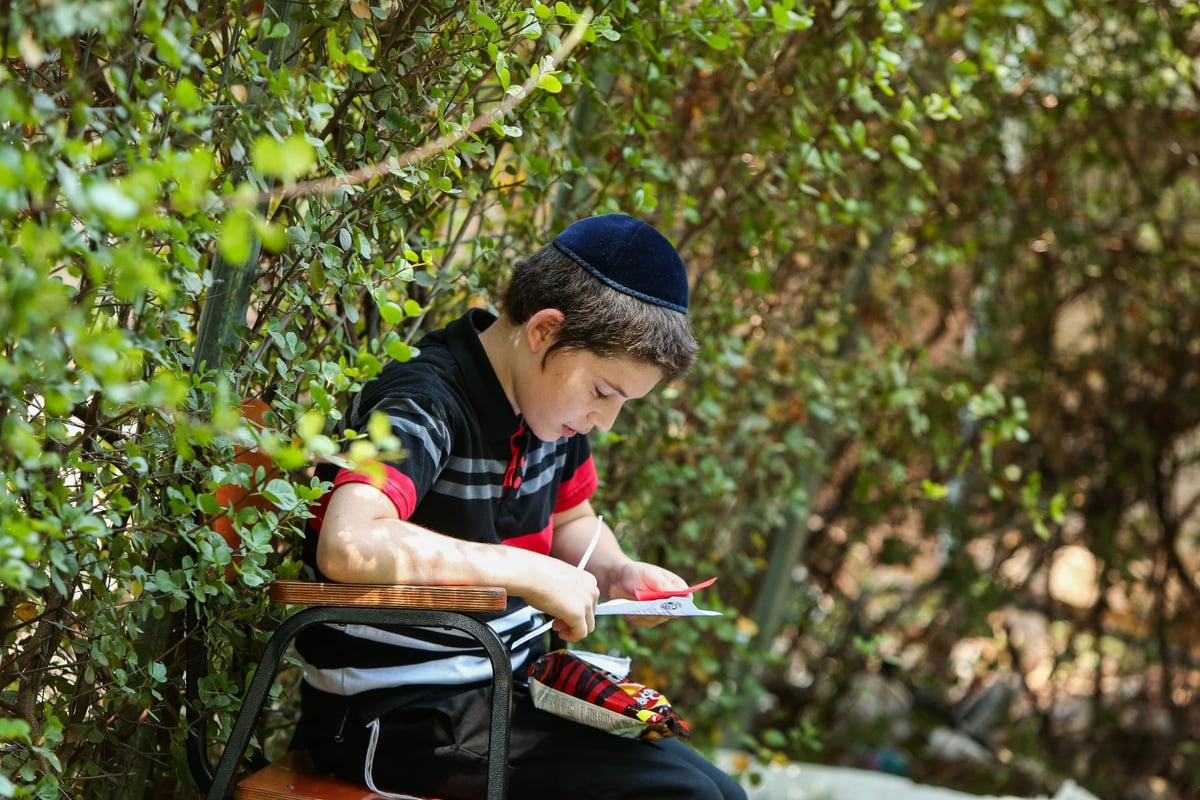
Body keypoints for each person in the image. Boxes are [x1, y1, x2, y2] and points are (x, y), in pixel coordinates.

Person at [291, 213, 746, 800]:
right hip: (395, 715)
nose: (604, 420)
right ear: (545, 332)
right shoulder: (424, 399)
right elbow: (348, 541)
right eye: (604, 392)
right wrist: (530, 572)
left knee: (721, 794)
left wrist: (616, 572)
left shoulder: (549, 411)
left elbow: (573, 522)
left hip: (509, 690)